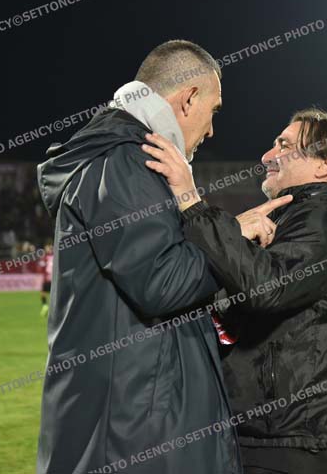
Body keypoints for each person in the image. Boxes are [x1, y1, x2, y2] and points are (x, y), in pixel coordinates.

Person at [35, 40, 242, 474]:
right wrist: (235, 239)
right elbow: (163, 283)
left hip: (132, 415)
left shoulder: (123, 155)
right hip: (135, 427)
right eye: (214, 110)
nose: (211, 130)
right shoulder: (125, 160)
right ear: (189, 99)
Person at [143, 108, 327, 474]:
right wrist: (233, 232)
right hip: (279, 439)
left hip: (300, 447)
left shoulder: (323, 224)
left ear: (325, 164)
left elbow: (266, 289)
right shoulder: (292, 222)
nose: (268, 155)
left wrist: (190, 200)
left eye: (285, 146)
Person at [38, 241, 53, 317]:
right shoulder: (57, 256)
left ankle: (45, 305)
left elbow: (41, 267)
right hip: (54, 279)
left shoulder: (45, 257)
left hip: (47, 278)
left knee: (43, 293)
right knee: (53, 294)